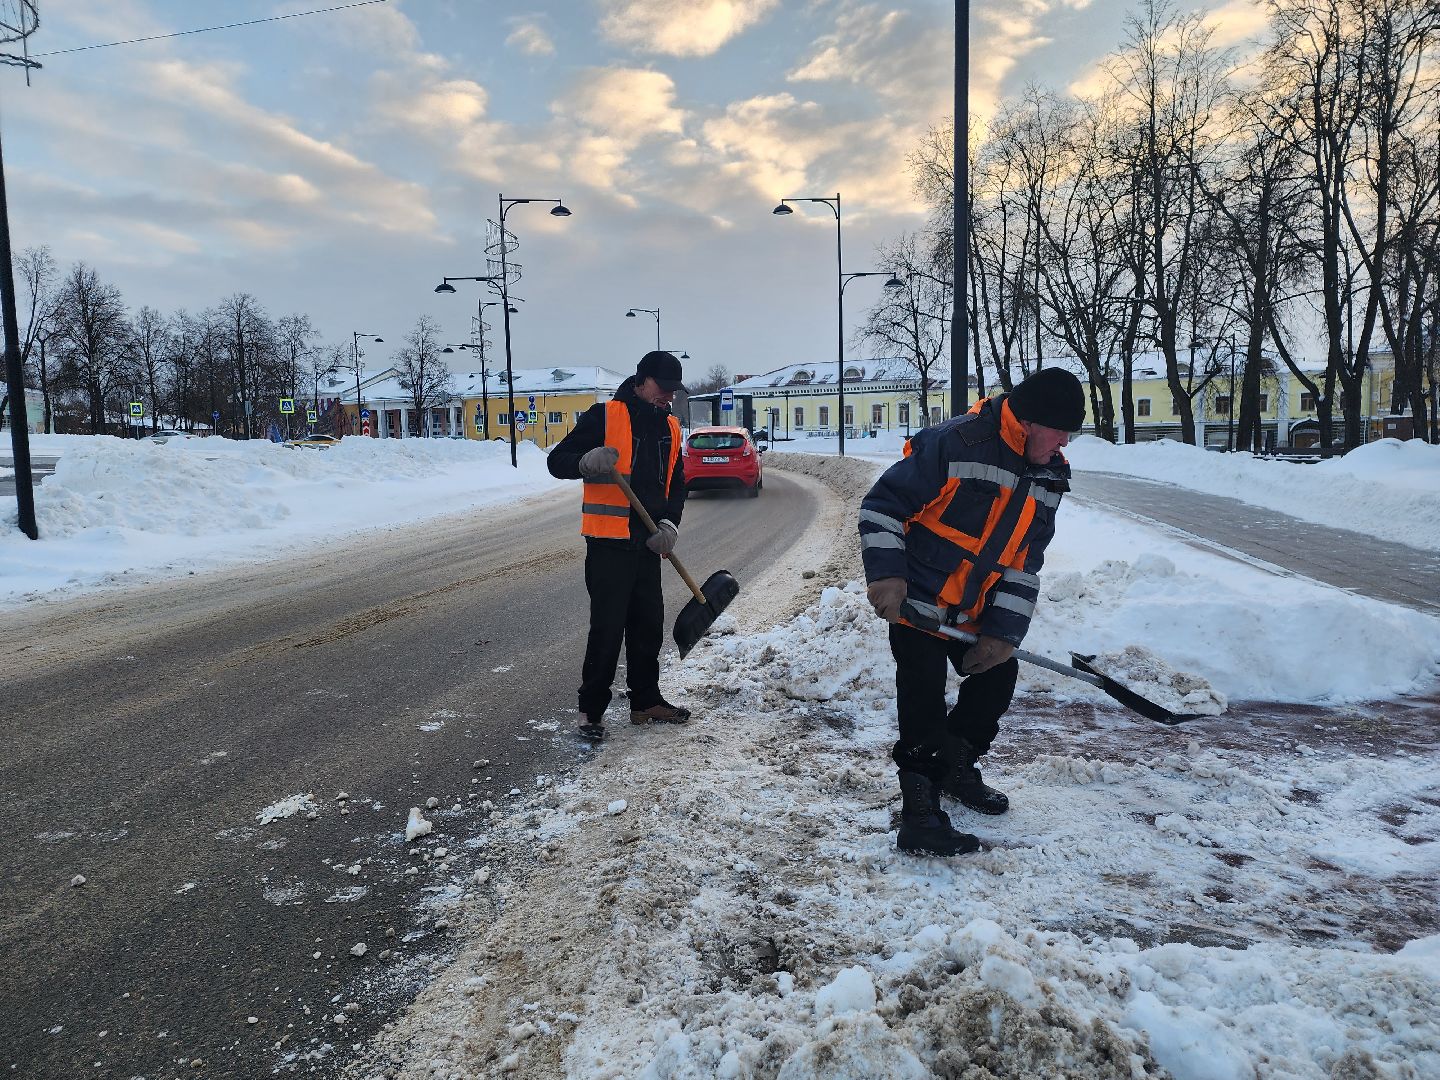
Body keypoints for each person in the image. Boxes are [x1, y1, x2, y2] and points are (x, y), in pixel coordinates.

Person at [858, 367, 1085, 856]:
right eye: (1061, 429)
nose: (1065, 441)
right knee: (921, 695)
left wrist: (1004, 632)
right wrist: (887, 576)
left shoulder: (1049, 473)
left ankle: (956, 768)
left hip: (974, 610)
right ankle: (919, 812)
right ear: (1028, 423)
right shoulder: (955, 443)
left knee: (997, 679)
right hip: (919, 601)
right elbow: (882, 507)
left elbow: (1026, 562)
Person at [548, 351, 691, 741]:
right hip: (609, 544)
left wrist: (668, 523)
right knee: (608, 629)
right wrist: (585, 461)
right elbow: (557, 461)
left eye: (673, 392)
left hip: (648, 543)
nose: (668, 397)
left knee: (649, 627)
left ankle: (646, 702)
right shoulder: (604, 416)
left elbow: (677, 483)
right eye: (663, 389)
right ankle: (591, 711)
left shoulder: (672, 427)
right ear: (641, 380)